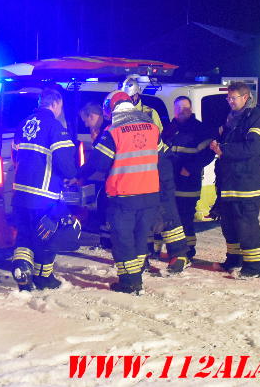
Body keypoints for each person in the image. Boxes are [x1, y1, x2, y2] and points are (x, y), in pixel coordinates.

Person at [72, 91, 160, 294]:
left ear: (112, 108)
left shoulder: (113, 131)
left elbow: (99, 162)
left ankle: (130, 283)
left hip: (124, 194)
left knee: (122, 239)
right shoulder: (152, 127)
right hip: (150, 192)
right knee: (140, 236)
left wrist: (80, 175)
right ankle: (136, 276)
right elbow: (163, 156)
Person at [11, 87, 77, 291]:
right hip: (44, 195)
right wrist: (72, 176)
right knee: (46, 235)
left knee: (24, 235)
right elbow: (65, 164)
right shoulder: (55, 127)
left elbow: (15, 156)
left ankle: (22, 274)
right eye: (60, 107)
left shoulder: (23, 124)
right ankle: (43, 277)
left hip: (20, 193)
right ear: (55, 104)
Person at [122, 74, 188, 271]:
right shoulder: (121, 117)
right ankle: (144, 255)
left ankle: (178, 254)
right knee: (143, 215)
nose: (128, 102)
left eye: (130, 98)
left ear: (136, 96)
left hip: (156, 169)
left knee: (167, 211)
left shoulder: (150, 113)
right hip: (141, 173)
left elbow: (158, 141)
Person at [210, 82, 260, 278]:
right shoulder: (231, 117)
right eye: (228, 98)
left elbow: (254, 148)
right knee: (229, 224)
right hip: (229, 183)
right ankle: (233, 260)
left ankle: (254, 267)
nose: (230, 101)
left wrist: (223, 150)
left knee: (247, 225)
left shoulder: (256, 118)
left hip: (247, 184)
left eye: (233, 97)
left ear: (245, 97)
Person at [161, 96, 215, 260]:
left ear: (190, 109)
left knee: (185, 217)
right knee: (171, 218)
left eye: (185, 108)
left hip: (188, 183)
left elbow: (208, 154)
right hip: (170, 181)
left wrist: (190, 168)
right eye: (178, 108)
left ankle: (189, 251)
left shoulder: (200, 129)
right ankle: (175, 251)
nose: (181, 111)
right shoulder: (170, 128)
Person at [79, 101, 112, 247]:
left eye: (86, 121)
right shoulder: (105, 130)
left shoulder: (107, 132)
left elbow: (95, 161)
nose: (86, 125)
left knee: (105, 205)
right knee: (104, 204)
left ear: (92, 116)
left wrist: (79, 176)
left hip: (115, 178)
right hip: (113, 177)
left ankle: (107, 241)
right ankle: (106, 240)